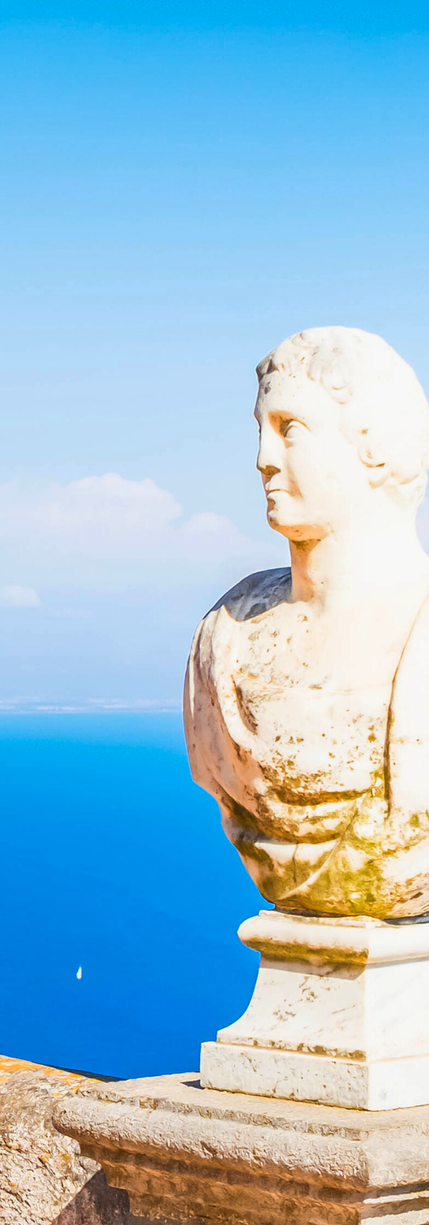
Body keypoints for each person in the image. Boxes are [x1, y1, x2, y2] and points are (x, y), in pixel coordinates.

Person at [187, 325, 429, 917]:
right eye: (260, 431)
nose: (263, 459)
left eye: (290, 429)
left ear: (374, 445)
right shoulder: (227, 632)